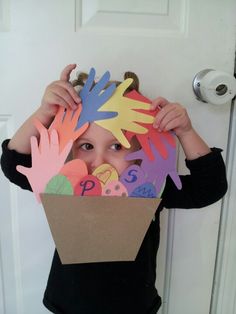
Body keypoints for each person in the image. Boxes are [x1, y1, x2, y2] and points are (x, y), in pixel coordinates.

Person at [0, 64, 227, 314]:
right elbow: (14, 164)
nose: (99, 161)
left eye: (116, 147)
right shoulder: (61, 184)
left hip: (133, 305)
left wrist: (185, 131)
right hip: (68, 304)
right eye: (86, 146)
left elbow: (210, 188)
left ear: (140, 148)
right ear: (71, 147)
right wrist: (44, 114)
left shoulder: (149, 186)